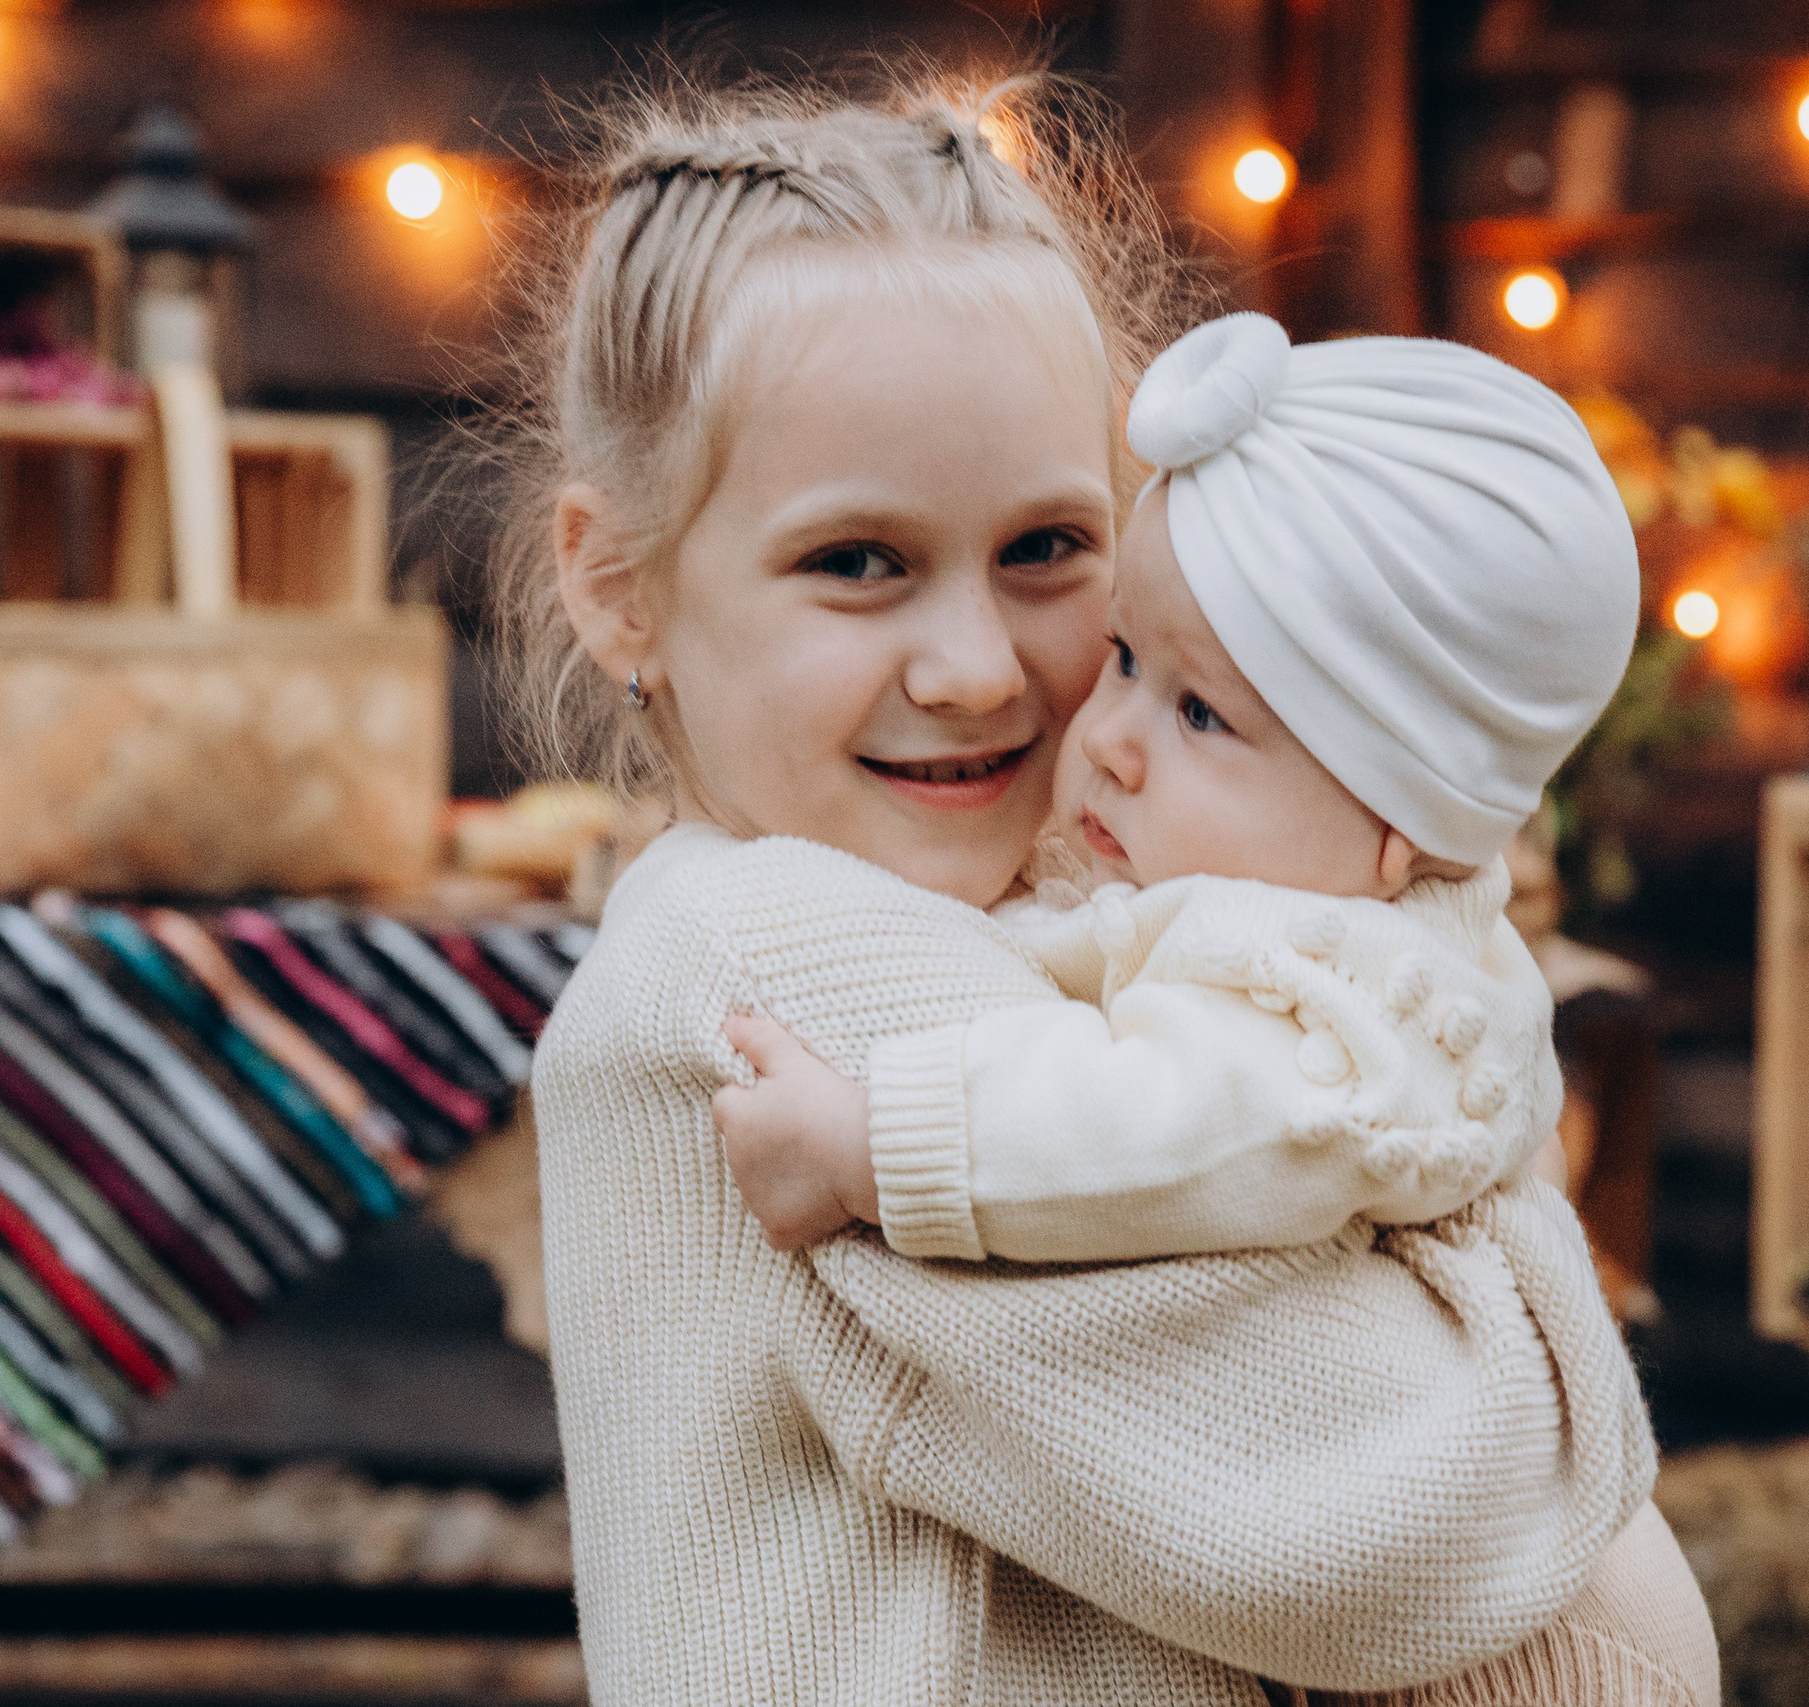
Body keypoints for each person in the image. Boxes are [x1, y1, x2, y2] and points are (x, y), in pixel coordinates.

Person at [503, 75, 1659, 1704]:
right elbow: (1429, 1523)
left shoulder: (1018, 930)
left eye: (1049, 549)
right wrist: (1510, 1232)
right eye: (857, 562)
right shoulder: (789, 980)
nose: (980, 671)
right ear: (622, 591)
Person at [713, 312, 1720, 1706]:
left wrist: (876, 1146)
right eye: (1127, 656)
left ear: (1395, 824)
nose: (1111, 739)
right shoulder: (1286, 888)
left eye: (1204, 717)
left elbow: (1166, 1128)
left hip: (1548, 1667)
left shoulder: (1347, 1002)